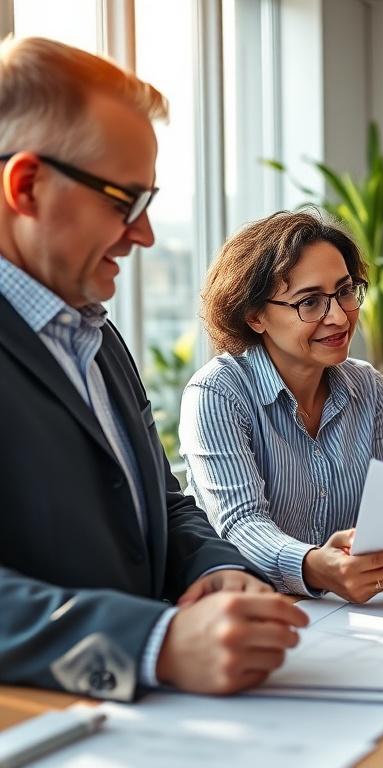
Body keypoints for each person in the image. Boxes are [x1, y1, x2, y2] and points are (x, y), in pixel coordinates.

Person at [0, 37, 308, 700]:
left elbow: (158, 505)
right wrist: (151, 643)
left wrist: (216, 567)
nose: (144, 236)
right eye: (124, 203)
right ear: (25, 185)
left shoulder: (93, 336)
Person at [179, 211, 383, 602]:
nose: (337, 316)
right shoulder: (217, 392)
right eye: (310, 302)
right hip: (245, 614)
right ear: (255, 316)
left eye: (345, 291)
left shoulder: (367, 386)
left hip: (344, 618)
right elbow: (240, 524)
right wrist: (315, 566)